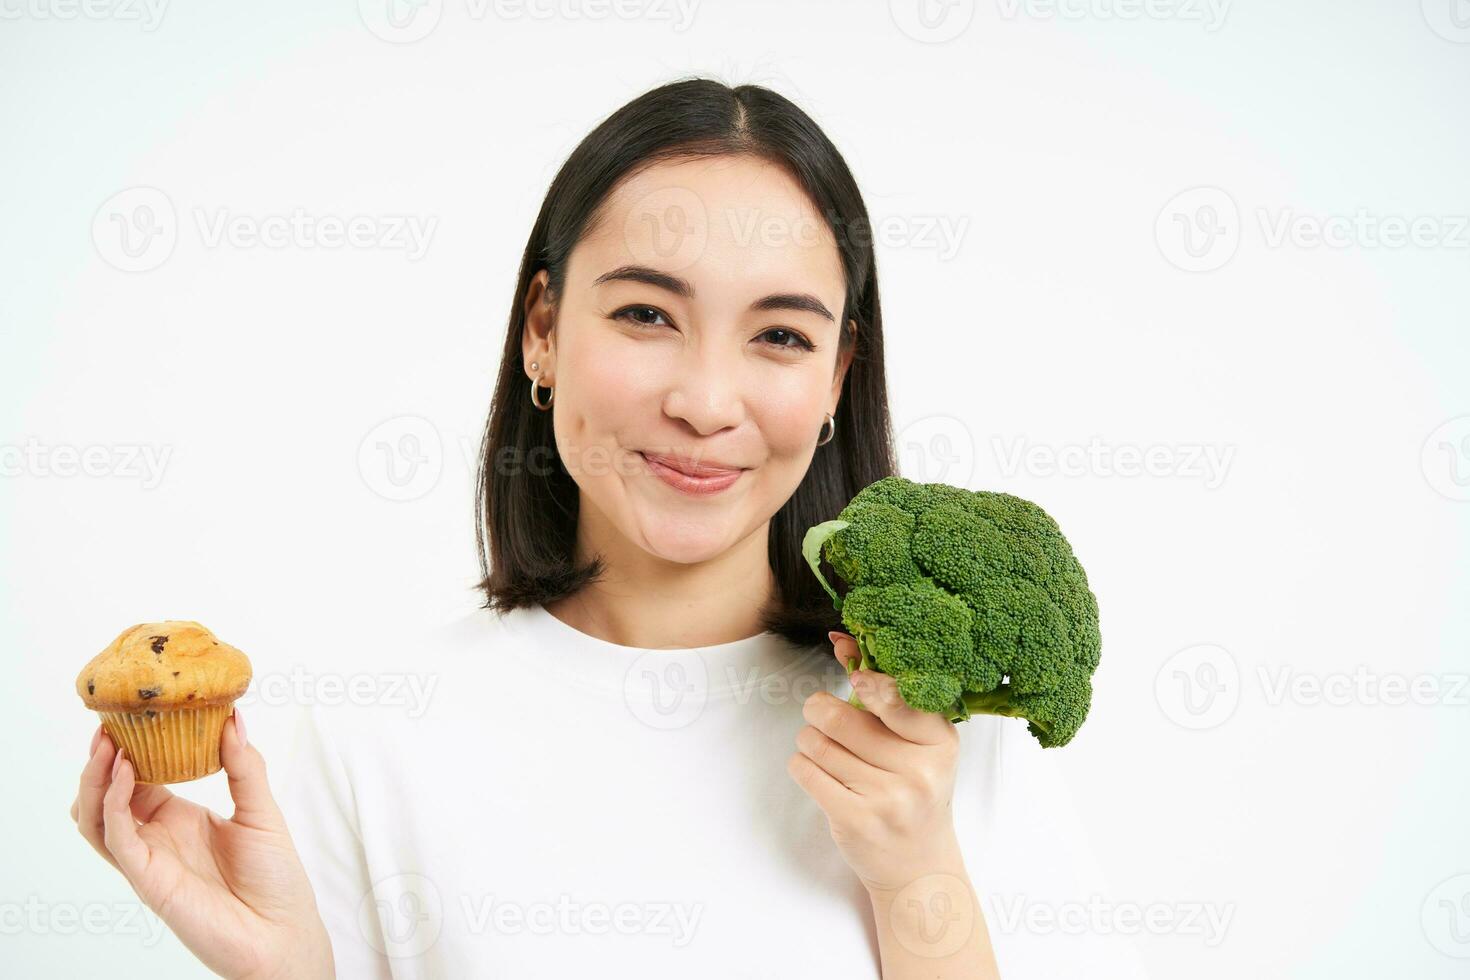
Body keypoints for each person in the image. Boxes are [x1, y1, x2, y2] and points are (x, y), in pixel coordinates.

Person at [71, 77, 1144, 979]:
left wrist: (918, 878)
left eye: (779, 334)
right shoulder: (374, 742)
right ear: (543, 329)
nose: (707, 399)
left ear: (836, 379)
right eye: (645, 313)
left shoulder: (944, 735)